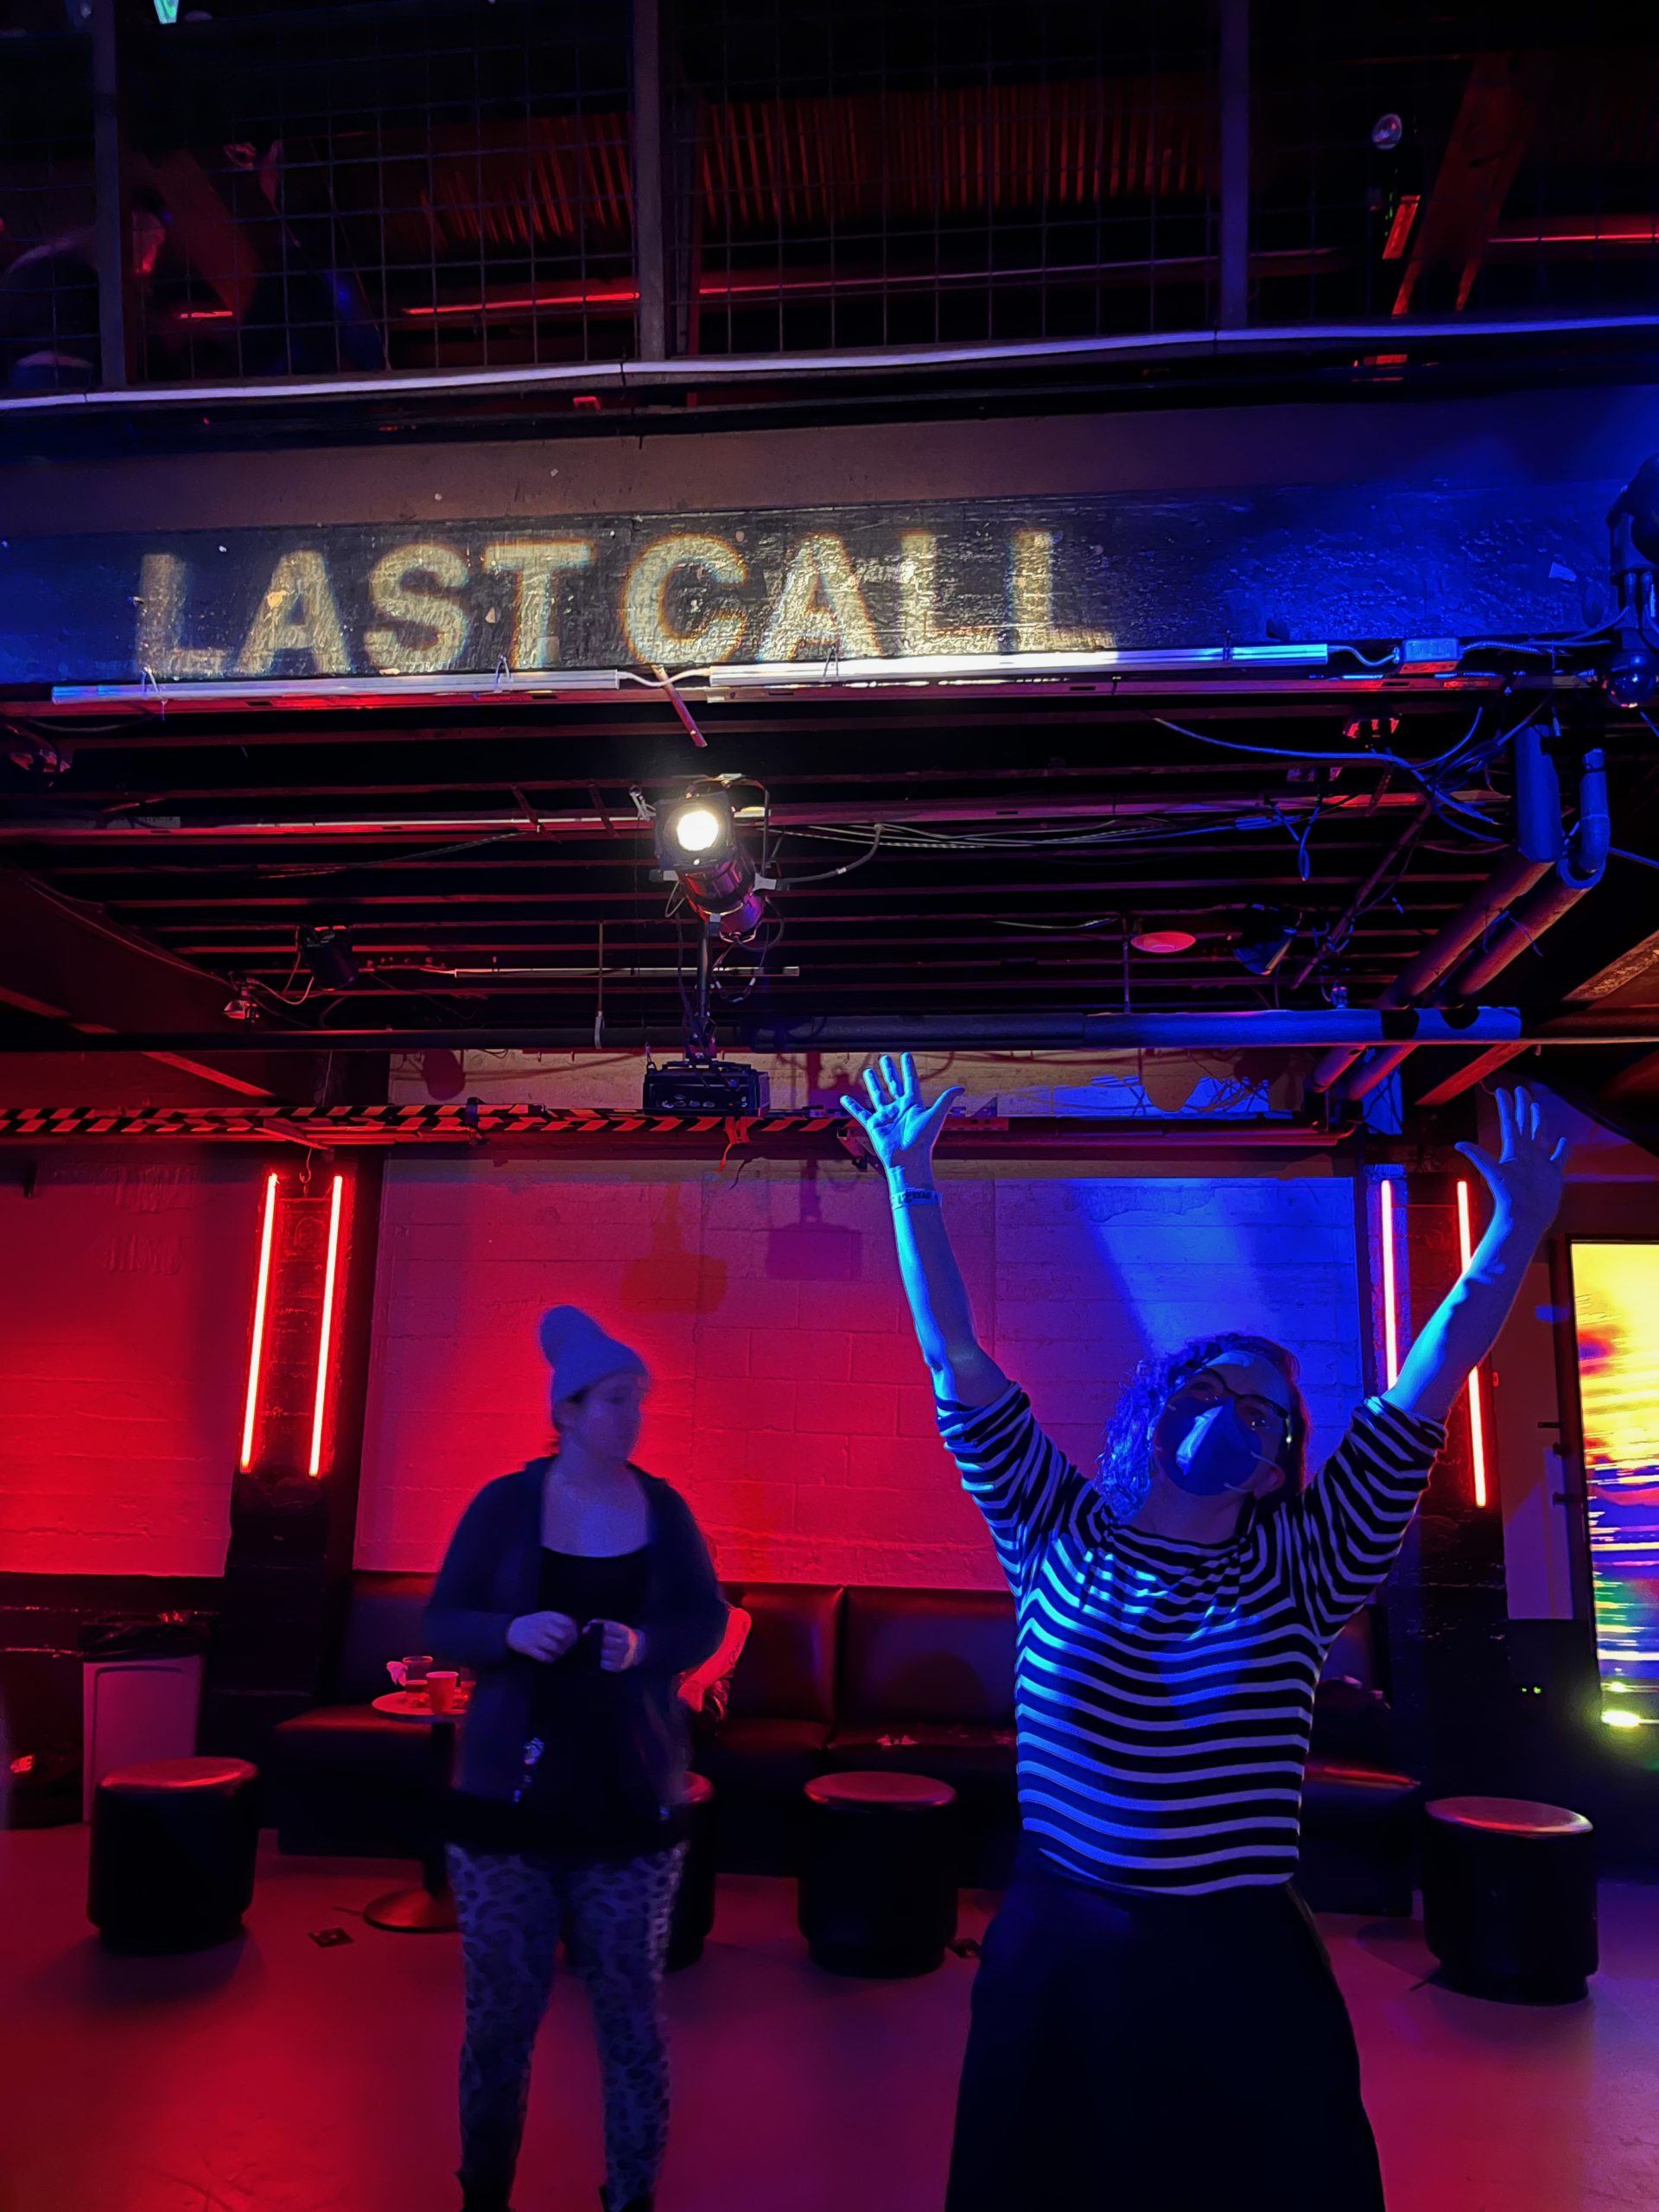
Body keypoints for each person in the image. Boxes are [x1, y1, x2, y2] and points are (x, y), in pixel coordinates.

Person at [840, 1058, 1567, 2212]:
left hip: (1238, 1967)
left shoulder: (1303, 1561)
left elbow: (1430, 1380)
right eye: (1218, 1388)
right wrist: (909, 1178)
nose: (1242, 1414)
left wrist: (1515, 1223)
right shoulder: (1057, 1529)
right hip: (1061, 1954)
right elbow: (955, 1364)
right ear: (1163, 1403)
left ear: (1285, 1458)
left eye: (1269, 1409)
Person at [425, 1306, 728, 2212]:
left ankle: (629, 2196)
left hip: (629, 1804)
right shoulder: (504, 1505)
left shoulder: (664, 1508)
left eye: (638, 1401)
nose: (629, 1418)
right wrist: (508, 1629)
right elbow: (443, 1619)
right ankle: (484, 2189)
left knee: (631, 2019)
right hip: (504, 1809)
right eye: (612, 1401)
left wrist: (643, 1646)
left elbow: (703, 1618)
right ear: (566, 1408)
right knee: (499, 2023)